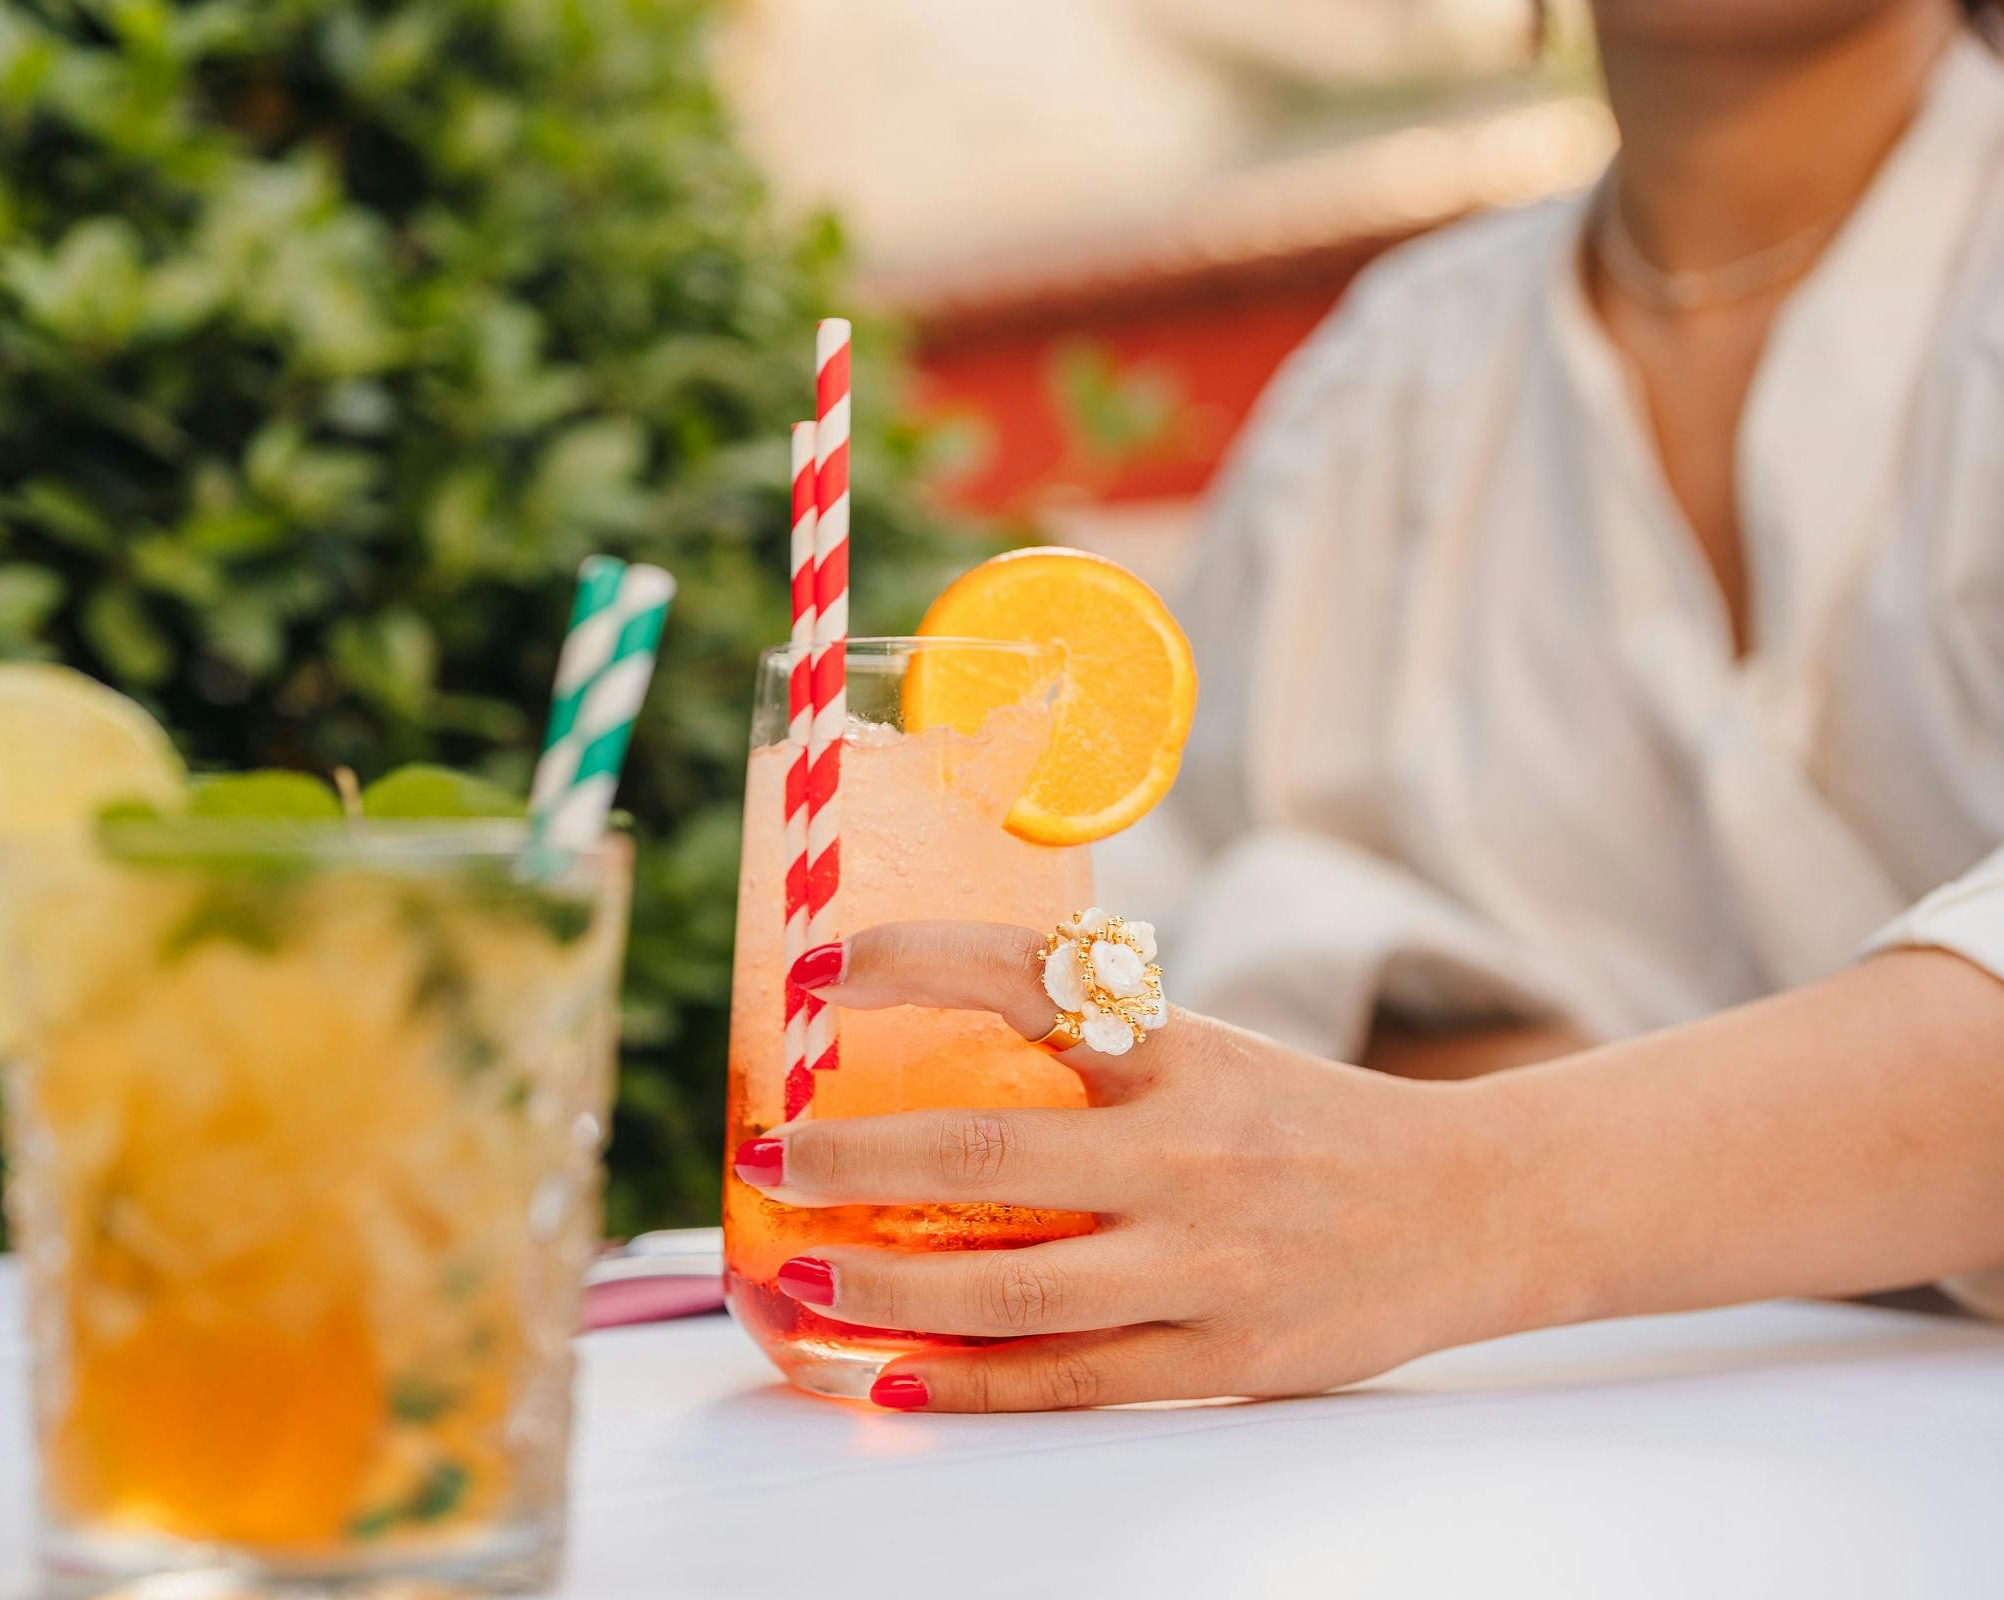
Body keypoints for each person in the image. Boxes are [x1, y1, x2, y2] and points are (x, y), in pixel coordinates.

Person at [732, 0, 2004, 1411]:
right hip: (1511, 1466)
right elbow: (1143, 976)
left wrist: (1470, 1180)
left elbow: (1326, 1098)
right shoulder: (1386, 383)